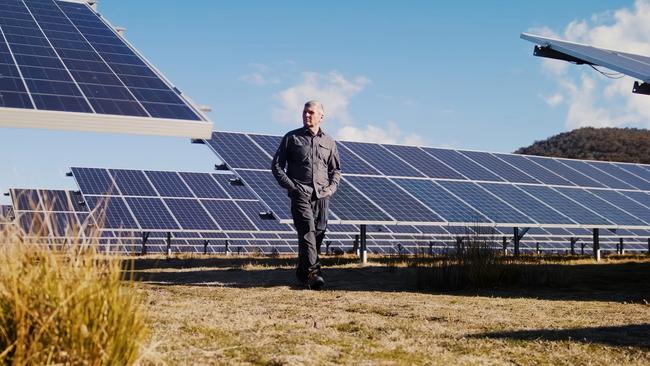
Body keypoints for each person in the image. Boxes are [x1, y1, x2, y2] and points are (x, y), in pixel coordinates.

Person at [271, 100, 341, 290]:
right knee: (307, 230)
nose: (306, 115)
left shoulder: (329, 141)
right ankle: (314, 273)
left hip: (322, 195)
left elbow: (336, 170)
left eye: (310, 112)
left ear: (321, 116)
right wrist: (292, 188)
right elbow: (277, 166)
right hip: (300, 193)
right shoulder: (291, 138)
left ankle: (302, 272)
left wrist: (331, 188)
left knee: (318, 232)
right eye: (304, 112)